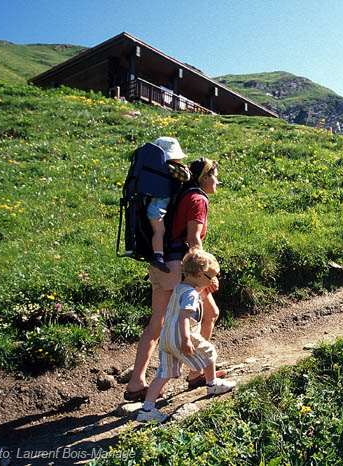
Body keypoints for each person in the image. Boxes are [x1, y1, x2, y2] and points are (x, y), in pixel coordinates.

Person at [125, 155, 225, 401]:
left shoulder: (180, 195)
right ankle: (196, 371)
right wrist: (207, 275)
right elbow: (194, 241)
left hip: (159, 263)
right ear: (205, 177)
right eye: (215, 176)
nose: (218, 181)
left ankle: (136, 382)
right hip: (180, 267)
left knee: (156, 323)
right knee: (209, 314)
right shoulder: (198, 199)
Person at [137, 249, 236, 423]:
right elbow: (184, 316)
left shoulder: (181, 288)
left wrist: (205, 292)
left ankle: (147, 409)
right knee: (209, 352)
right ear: (199, 275)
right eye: (210, 277)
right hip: (181, 335)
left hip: (166, 338)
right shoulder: (190, 294)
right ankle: (212, 384)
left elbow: (189, 302)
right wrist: (187, 339)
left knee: (163, 372)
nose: (213, 280)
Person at [148, 137, 191, 273]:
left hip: (154, 207)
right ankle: (158, 256)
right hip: (156, 209)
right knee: (159, 231)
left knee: (159, 231)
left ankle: (158, 254)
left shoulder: (151, 168)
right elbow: (186, 176)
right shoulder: (168, 167)